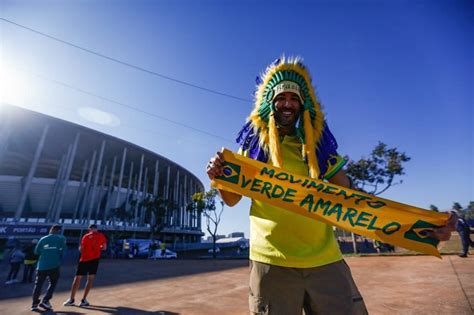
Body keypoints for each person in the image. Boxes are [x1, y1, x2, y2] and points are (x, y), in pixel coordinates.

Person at [207, 57, 458, 314]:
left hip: (325, 260)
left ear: (303, 105)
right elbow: (232, 198)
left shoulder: (318, 148)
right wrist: (217, 177)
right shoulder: (253, 148)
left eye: (294, 99)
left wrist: (423, 223)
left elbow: (351, 195)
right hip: (271, 263)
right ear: (269, 103)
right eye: (281, 98)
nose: (287, 104)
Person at [63, 224, 107, 307]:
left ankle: (71, 299)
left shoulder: (86, 236)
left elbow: (81, 249)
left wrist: (87, 250)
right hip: (95, 260)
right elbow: (104, 248)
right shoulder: (102, 236)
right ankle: (84, 300)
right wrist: (98, 249)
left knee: (77, 279)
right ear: (96, 229)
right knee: (90, 279)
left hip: (84, 259)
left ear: (89, 229)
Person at [31, 225, 67, 311]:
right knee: (53, 283)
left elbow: (36, 252)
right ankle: (46, 300)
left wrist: (46, 250)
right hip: (54, 266)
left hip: (42, 266)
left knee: (38, 285)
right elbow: (63, 250)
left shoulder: (43, 239)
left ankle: (34, 304)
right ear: (59, 231)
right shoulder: (61, 238)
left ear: (51, 230)